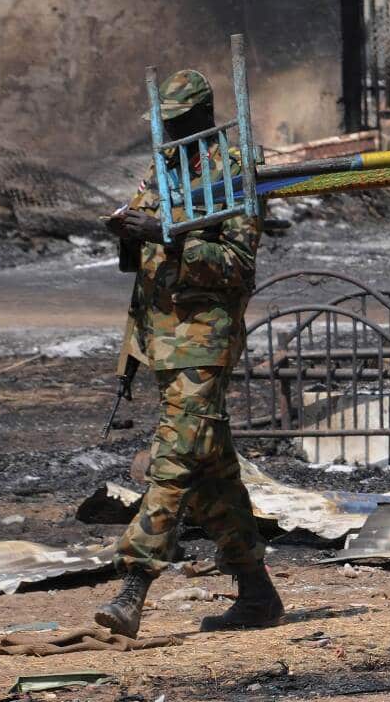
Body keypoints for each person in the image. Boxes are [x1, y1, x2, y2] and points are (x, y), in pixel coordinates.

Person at [95, 69, 281, 637]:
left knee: (173, 459)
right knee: (209, 469)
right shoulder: (164, 170)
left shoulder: (231, 172)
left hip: (204, 337)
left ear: (203, 116)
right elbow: (143, 245)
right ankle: (256, 593)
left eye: (177, 122)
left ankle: (134, 584)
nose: (168, 132)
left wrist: (167, 234)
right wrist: (130, 233)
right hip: (162, 339)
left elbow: (239, 266)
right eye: (164, 122)